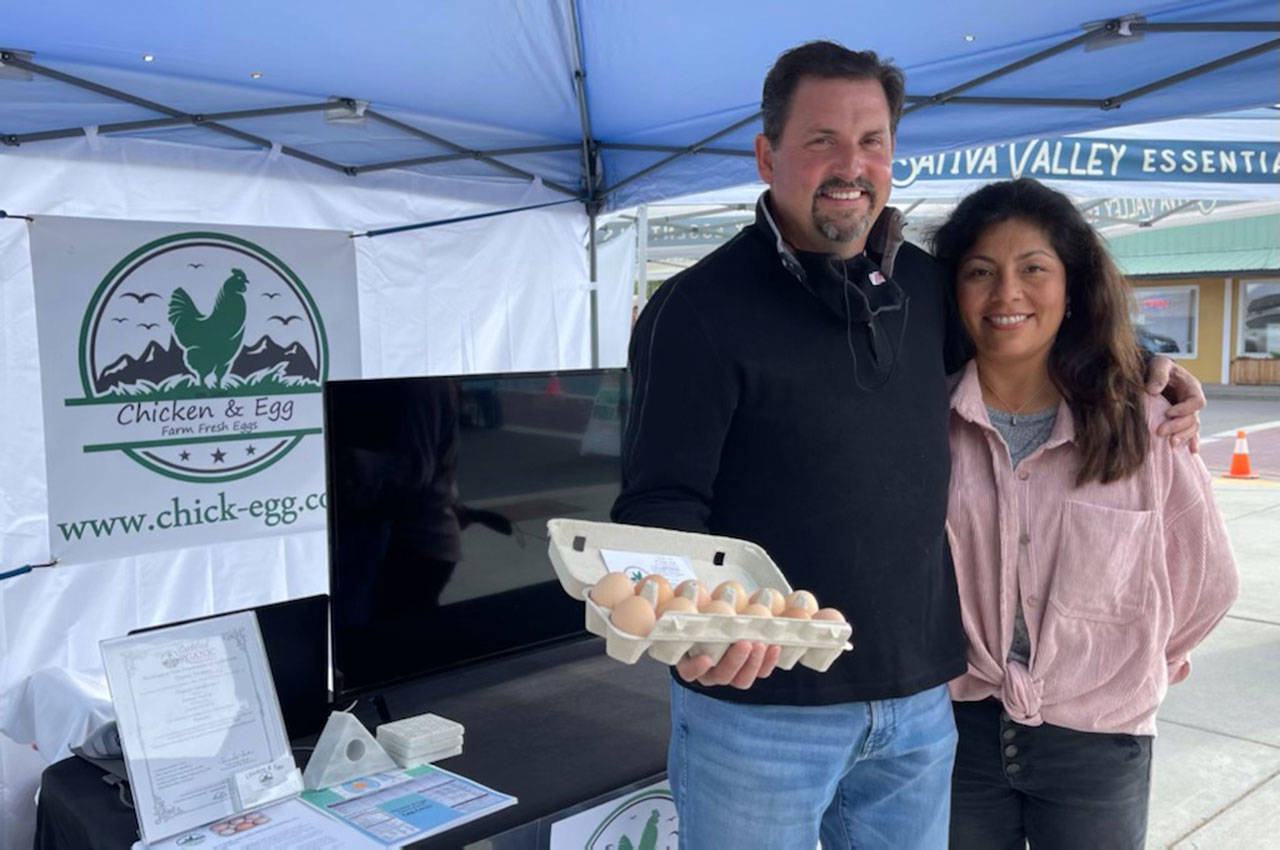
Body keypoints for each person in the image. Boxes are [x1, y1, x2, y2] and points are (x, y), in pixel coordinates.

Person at [611, 41, 1204, 850]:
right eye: (821, 140)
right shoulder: (697, 310)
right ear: (766, 153)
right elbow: (658, 503)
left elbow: (1031, 346)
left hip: (921, 709)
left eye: (872, 142)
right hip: (761, 712)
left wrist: (1154, 374)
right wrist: (692, 632)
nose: (850, 164)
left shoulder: (928, 289)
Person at [932, 178, 1238, 849]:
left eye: (1033, 269)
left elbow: (1206, 580)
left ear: (1073, 287)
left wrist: (1130, 664)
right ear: (952, 291)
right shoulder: (924, 424)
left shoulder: (1144, 423)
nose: (1007, 293)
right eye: (980, 272)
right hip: (956, 736)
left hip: (1099, 738)